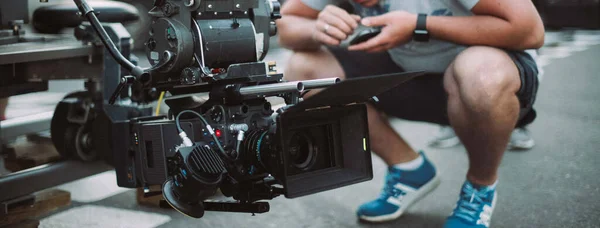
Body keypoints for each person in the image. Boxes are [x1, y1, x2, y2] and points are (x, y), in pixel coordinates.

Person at [277, 0, 543, 227]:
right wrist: (316, 28)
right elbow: (286, 24)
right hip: (411, 73)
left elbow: (529, 30)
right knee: (305, 68)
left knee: (481, 74)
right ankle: (409, 169)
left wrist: (420, 24)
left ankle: (480, 187)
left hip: (489, 81)